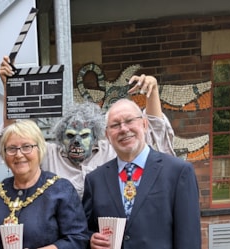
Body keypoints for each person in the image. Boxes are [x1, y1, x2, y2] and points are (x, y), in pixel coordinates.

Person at [0, 55, 176, 198]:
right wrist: (10, 89)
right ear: (60, 138)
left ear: (97, 136)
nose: (77, 142)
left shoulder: (112, 150)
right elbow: (11, 139)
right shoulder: (48, 154)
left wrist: (152, 93)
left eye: (84, 136)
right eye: (70, 135)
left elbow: (153, 134)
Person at [82, 98, 201, 249]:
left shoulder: (178, 172)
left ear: (144, 124)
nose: (123, 129)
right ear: (107, 135)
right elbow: (83, 231)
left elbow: (189, 237)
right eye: (115, 125)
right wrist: (90, 239)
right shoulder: (95, 180)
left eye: (129, 120)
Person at [0, 119, 89, 249]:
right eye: (11, 148)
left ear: (39, 150)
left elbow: (78, 239)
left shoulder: (61, 190)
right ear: (5, 155)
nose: (18, 154)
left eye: (26, 147)